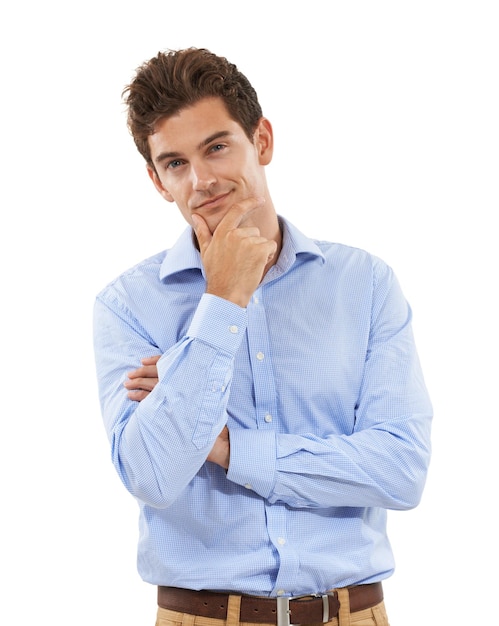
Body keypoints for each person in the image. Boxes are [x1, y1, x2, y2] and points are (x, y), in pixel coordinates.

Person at [93, 47, 432, 626]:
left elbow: (401, 469)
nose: (201, 180)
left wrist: (228, 447)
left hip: (352, 614)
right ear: (157, 180)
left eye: (217, 146)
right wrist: (222, 301)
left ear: (263, 141)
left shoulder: (366, 285)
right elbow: (151, 474)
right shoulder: (128, 305)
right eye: (175, 163)